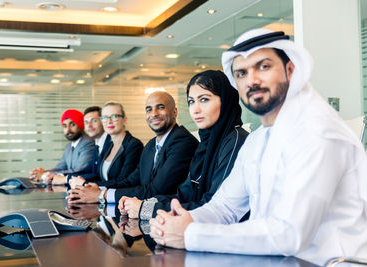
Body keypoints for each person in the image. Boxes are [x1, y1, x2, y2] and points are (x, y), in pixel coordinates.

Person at [149, 29, 367, 265]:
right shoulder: (257, 140)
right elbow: (224, 208)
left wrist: (190, 233)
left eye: (263, 67)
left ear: (290, 70)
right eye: (241, 73)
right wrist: (177, 221)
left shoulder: (318, 133)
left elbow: (288, 234)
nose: (251, 80)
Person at [119, 70, 248, 221]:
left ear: (225, 101)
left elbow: (214, 206)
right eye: (191, 101)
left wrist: (145, 210)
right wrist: (144, 203)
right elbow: (185, 195)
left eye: (204, 99)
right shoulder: (206, 143)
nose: (195, 109)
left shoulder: (236, 141)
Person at [67, 91, 199, 206]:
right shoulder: (151, 145)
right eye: (148, 109)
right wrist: (97, 188)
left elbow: (156, 190)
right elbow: (132, 181)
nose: (154, 114)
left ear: (175, 112)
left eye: (160, 107)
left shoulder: (183, 142)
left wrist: (102, 195)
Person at [29, 109, 95, 185]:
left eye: (72, 124)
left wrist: (44, 175)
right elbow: (60, 168)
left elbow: (79, 170)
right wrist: (43, 173)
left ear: (81, 125)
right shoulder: (68, 147)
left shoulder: (88, 143)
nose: (68, 129)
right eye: (64, 126)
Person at [68, 106, 111, 187]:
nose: (89, 125)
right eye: (86, 122)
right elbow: (89, 171)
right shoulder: (97, 145)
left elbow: (96, 175)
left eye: (94, 121)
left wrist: (67, 179)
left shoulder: (111, 143)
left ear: (103, 121)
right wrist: (68, 178)